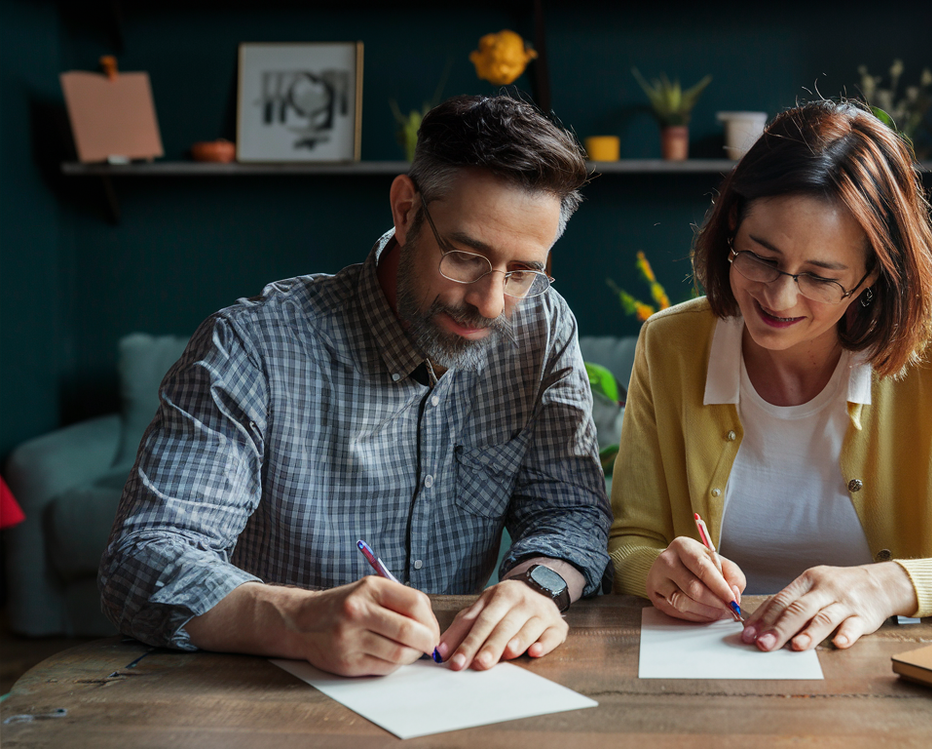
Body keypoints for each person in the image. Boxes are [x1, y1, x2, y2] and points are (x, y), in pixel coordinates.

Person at [99, 94, 613, 677]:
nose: (490, 303)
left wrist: (537, 588)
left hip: (460, 686)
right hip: (275, 692)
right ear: (404, 209)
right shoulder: (251, 346)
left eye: (522, 272)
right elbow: (143, 560)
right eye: (466, 257)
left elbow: (570, 512)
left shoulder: (540, 325)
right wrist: (299, 619)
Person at [608, 99, 932, 655]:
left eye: (820, 277)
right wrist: (658, 573)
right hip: (720, 668)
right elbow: (632, 540)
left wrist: (888, 586)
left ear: (870, 279)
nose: (779, 296)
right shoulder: (671, 344)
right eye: (761, 257)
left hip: (901, 681)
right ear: (733, 226)